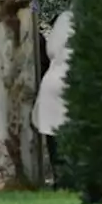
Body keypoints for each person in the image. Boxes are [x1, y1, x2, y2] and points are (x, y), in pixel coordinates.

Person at [32, 10, 75, 186]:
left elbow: (52, 50)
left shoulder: (66, 18)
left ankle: (62, 178)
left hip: (54, 82)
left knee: (56, 138)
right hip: (70, 82)